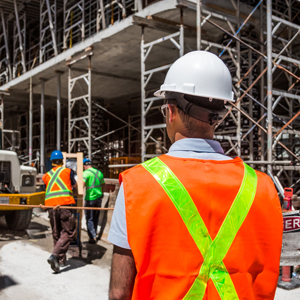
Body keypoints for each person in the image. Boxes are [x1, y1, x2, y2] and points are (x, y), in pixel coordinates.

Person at [108, 51, 283, 299]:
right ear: (218, 117)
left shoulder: (137, 185)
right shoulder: (263, 187)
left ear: (170, 112)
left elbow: (119, 293)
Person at [43, 150, 77, 273]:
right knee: (69, 232)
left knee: (56, 232)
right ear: (62, 161)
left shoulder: (46, 175)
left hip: (51, 207)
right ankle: (55, 255)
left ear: (52, 162)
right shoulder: (68, 171)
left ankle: (60, 261)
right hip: (64, 205)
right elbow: (74, 185)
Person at [83, 158, 105, 244]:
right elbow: (104, 185)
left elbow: (82, 184)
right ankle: (94, 234)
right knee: (96, 218)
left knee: (89, 218)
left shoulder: (85, 173)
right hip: (98, 199)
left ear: (85, 166)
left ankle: (92, 237)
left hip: (90, 199)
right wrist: (102, 193)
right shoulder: (99, 173)